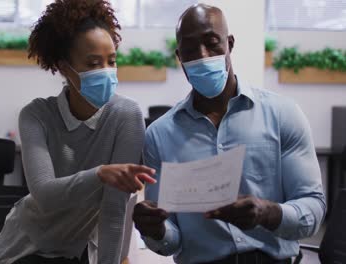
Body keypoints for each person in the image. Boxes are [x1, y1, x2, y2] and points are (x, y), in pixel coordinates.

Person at [133, 3, 326, 264]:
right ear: (180, 57)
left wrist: (268, 213)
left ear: (230, 44)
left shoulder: (282, 114)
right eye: (190, 50)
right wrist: (155, 231)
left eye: (212, 43)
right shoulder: (159, 135)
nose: (202, 56)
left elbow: (313, 208)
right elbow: (172, 240)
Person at [0, 1, 156, 264]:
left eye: (112, 61)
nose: (106, 71)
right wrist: (100, 174)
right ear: (65, 67)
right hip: (22, 250)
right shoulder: (36, 115)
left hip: (75, 252)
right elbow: (45, 195)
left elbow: (114, 210)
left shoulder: (127, 116)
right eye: (93, 63)